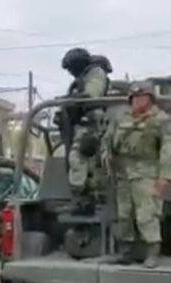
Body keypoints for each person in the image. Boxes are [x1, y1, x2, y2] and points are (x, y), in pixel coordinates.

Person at [103, 81, 171, 268]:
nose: (137, 100)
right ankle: (125, 252)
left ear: (150, 98)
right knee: (124, 213)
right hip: (122, 171)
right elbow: (108, 140)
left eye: (142, 97)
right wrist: (106, 157)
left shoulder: (160, 119)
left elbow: (167, 150)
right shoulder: (120, 117)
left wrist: (165, 177)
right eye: (134, 97)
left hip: (147, 171)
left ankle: (152, 252)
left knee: (146, 213)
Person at [60, 47, 109, 214]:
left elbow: (92, 95)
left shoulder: (96, 73)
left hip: (92, 123)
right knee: (85, 164)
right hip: (82, 125)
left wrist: (74, 99)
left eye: (71, 68)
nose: (71, 73)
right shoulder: (81, 79)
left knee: (77, 157)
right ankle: (86, 199)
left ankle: (79, 198)